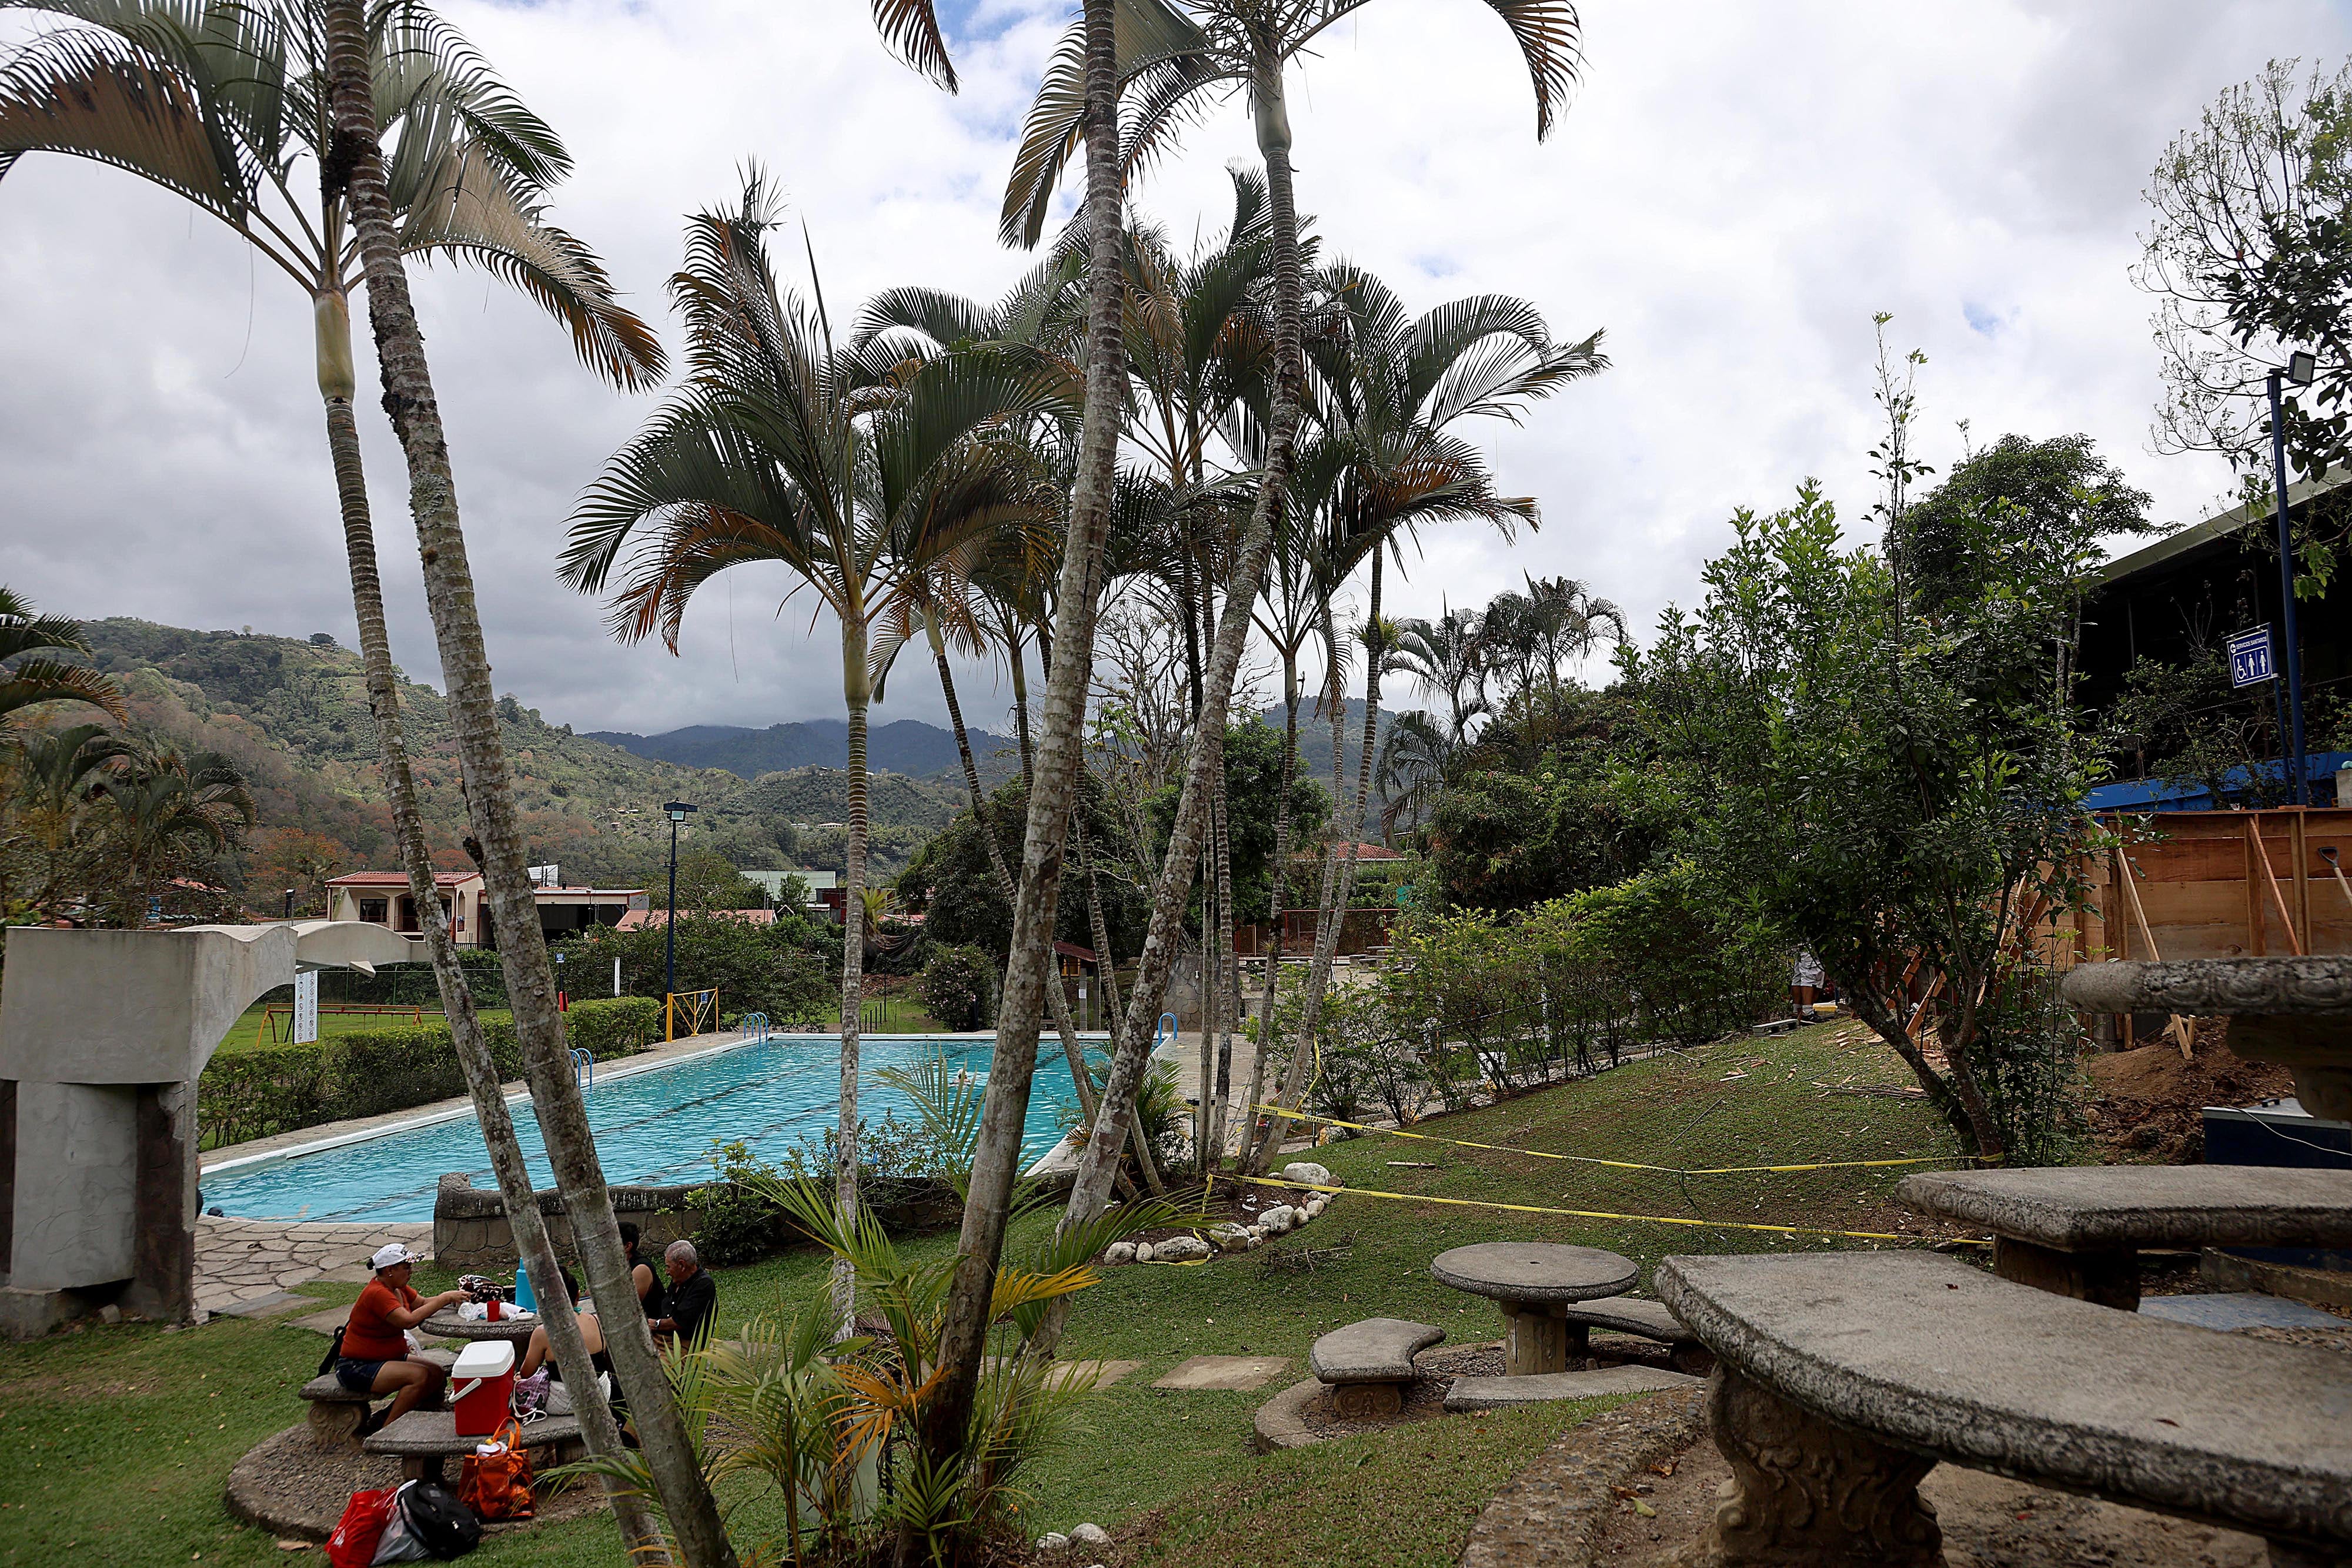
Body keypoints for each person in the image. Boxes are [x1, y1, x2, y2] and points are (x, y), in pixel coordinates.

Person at [339, 1242, 467, 1437]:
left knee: (435, 1373)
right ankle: (387, 1433)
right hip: (358, 1366)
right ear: (390, 1270)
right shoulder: (377, 1293)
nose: (411, 1271)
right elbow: (408, 1321)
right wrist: (444, 1298)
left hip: (387, 1357)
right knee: (419, 1377)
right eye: (406, 1267)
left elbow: (423, 1303)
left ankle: (417, 1415)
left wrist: (453, 1299)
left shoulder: (399, 1289)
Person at [648, 1239, 715, 1350]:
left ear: (682, 1265)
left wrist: (656, 1324)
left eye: (668, 1267)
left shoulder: (703, 1285)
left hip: (683, 1345)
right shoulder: (678, 1281)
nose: (666, 1272)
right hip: (662, 1339)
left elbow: (680, 1322)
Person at [620, 1221, 666, 1323]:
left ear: (628, 1246)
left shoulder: (641, 1269)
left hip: (651, 1328)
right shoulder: (614, 1265)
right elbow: (588, 1296)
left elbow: (626, 1308)